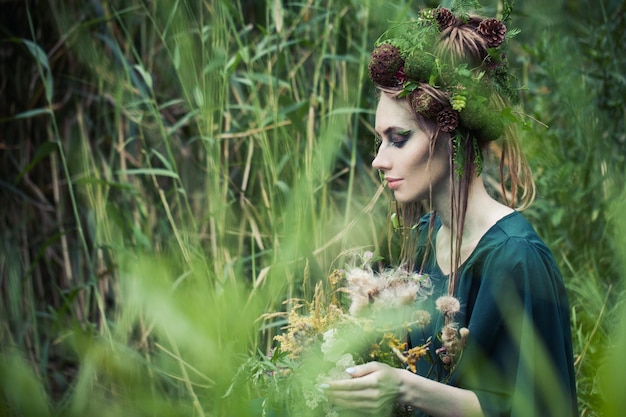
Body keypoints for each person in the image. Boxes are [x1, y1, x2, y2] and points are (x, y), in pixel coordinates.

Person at [320, 4, 578, 417]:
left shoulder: (518, 260)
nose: (379, 160)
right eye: (379, 141)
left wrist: (405, 387)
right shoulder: (424, 236)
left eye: (398, 139)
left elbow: (544, 408)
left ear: (449, 135)